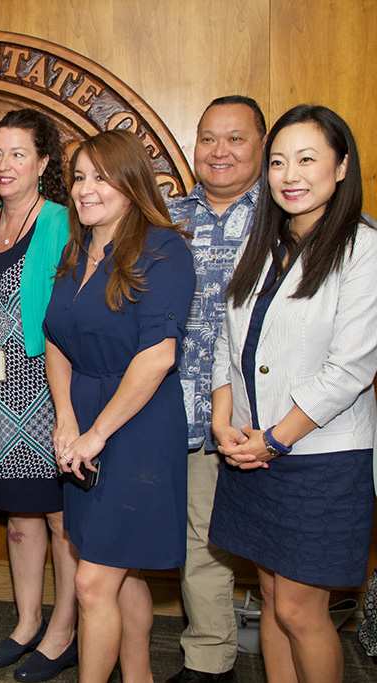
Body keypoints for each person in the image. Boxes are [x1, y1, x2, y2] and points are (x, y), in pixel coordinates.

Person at [210, 104, 377, 683]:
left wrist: (273, 441)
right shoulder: (263, 245)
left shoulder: (363, 248)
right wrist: (222, 419)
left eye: (307, 159)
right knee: (273, 599)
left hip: (318, 458)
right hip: (253, 450)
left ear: (341, 167)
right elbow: (228, 345)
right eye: (279, 161)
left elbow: (349, 370)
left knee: (300, 609)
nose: (290, 174)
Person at [43, 129, 195, 683]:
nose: (85, 190)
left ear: (132, 183)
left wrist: (96, 434)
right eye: (79, 177)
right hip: (82, 420)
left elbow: (157, 357)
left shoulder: (164, 249)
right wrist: (65, 417)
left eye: (101, 177)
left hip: (136, 428)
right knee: (118, 573)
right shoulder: (77, 248)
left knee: (91, 583)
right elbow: (55, 337)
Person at [0, 109, 78, 682]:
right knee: (18, 518)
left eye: (18, 154)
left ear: (42, 163)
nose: (4, 165)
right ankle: (26, 620)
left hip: (46, 391)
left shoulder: (62, 221)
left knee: (61, 519)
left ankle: (64, 630)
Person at [165, 95, 267, 683]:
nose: (219, 151)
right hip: (181, 409)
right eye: (208, 138)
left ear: (261, 144)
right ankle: (208, 661)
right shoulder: (167, 218)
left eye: (235, 138)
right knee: (200, 537)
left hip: (269, 416)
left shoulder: (285, 215)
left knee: (285, 559)